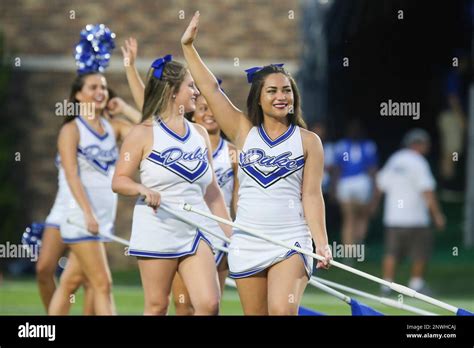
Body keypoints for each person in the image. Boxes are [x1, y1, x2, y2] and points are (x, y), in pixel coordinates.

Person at [181, 12, 332, 315]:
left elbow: (312, 195)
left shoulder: (308, 141)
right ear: (259, 99)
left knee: (281, 310)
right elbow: (210, 89)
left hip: (291, 238)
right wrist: (188, 46)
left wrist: (322, 242)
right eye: (272, 91)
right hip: (249, 238)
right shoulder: (242, 131)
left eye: (286, 90)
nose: (281, 96)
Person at [121, 38, 238, 315]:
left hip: (196, 228)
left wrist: (232, 232)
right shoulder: (143, 132)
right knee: (158, 306)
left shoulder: (198, 135)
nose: (197, 92)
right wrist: (140, 189)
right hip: (158, 227)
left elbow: (211, 191)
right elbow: (120, 180)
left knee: (209, 305)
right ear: (174, 92)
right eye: (191, 86)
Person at [37, 95, 140, 315]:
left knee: (78, 281)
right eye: (93, 88)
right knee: (52, 270)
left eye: (102, 88)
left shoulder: (113, 127)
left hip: (97, 214)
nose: (99, 93)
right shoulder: (72, 130)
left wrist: (124, 107)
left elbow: (148, 136)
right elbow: (72, 175)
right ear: (79, 96)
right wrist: (87, 212)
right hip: (72, 211)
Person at [372, 129, 446, 295]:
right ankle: (416, 283)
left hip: (394, 218)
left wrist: (374, 206)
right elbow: (427, 190)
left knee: (391, 252)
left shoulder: (395, 159)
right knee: (420, 252)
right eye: (426, 144)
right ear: (418, 144)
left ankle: (386, 285)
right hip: (416, 218)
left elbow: (380, 185)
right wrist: (437, 215)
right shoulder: (419, 162)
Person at [333, 118, 378, 247]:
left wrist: (334, 188)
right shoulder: (368, 146)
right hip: (360, 182)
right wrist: (375, 189)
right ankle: (356, 246)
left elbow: (337, 169)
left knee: (350, 219)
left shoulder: (342, 145)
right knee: (360, 217)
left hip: (347, 183)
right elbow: (372, 170)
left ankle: (350, 250)